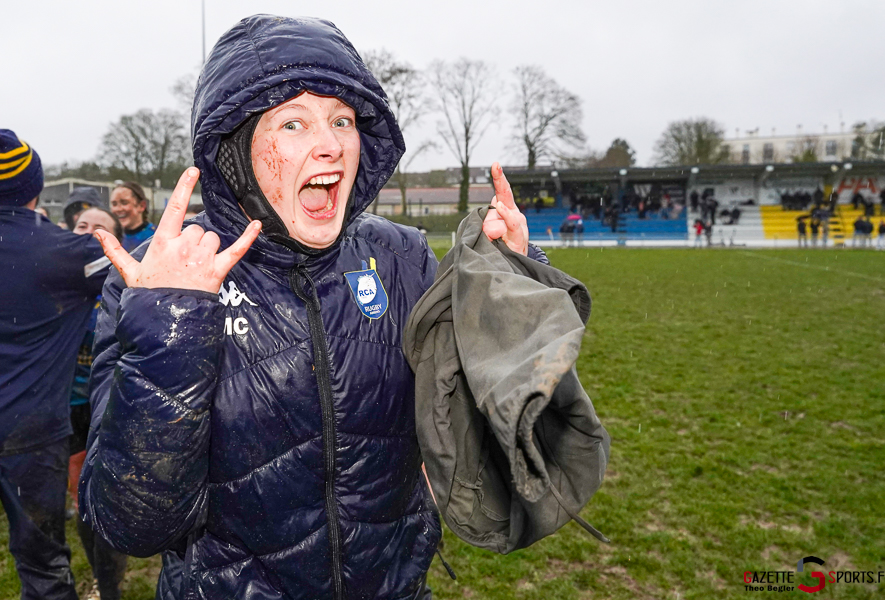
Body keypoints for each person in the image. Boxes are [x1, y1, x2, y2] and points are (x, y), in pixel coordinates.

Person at [80, 15, 541, 600]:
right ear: (235, 150)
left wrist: (510, 284)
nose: (329, 144)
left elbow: (491, 431)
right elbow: (130, 525)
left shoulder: (401, 257)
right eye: (293, 123)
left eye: (342, 120)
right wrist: (171, 325)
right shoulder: (154, 277)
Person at [0, 129, 109, 600]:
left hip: (31, 430)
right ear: (36, 186)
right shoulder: (67, 254)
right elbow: (144, 268)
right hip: (29, 431)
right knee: (43, 567)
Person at [68, 208, 129, 600]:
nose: (88, 232)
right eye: (80, 226)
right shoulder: (58, 281)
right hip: (71, 405)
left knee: (110, 502)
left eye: (99, 227)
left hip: (112, 404)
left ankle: (110, 588)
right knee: (82, 502)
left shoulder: (129, 281)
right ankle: (98, 574)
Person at [110, 182, 155, 252]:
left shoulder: (156, 236)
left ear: (141, 206)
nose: (118, 209)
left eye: (124, 203)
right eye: (114, 204)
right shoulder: (111, 237)